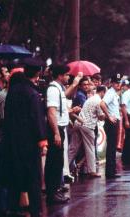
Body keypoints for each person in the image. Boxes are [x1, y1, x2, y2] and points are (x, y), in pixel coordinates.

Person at [3, 59, 48, 217]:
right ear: (37, 73)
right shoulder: (33, 94)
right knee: (33, 177)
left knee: (15, 175)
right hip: (29, 143)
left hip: (12, 141)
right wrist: (42, 140)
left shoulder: (12, 92)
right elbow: (37, 119)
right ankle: (35, 210)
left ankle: (12, 208)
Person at [44, 65, 82, 204]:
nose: (68, 76)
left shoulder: (58, 88)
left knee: (58, 161)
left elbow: (65, 95)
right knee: (54, 162)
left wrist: (75, 83)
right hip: (56, 129)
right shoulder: (53, 89)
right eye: (66, 74)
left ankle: (55, 190)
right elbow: (51, 112)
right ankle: (52, 194)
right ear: (60, 75)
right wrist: (56, 133)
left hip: (60, 128)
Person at [69, 85, 106, 178]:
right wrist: (107, 115)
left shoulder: (89, 99)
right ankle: (92, 171)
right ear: (102, 92)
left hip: (78, 123)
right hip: (88, 126)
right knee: (90, 148)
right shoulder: (99, 101)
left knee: (73, 148)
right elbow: (101, 116)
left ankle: (64, 169)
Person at [100, 73, 122, 179]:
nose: (118, 84)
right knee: (111, 147)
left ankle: (112, 170)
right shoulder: (110, 93)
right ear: (111, 83)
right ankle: (110, 172)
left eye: (119, 82)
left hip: (114, 121)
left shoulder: (114, 93)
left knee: (112, 147)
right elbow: (102, 103)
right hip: (111, 122)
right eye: (116, 82)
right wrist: (108, 116)